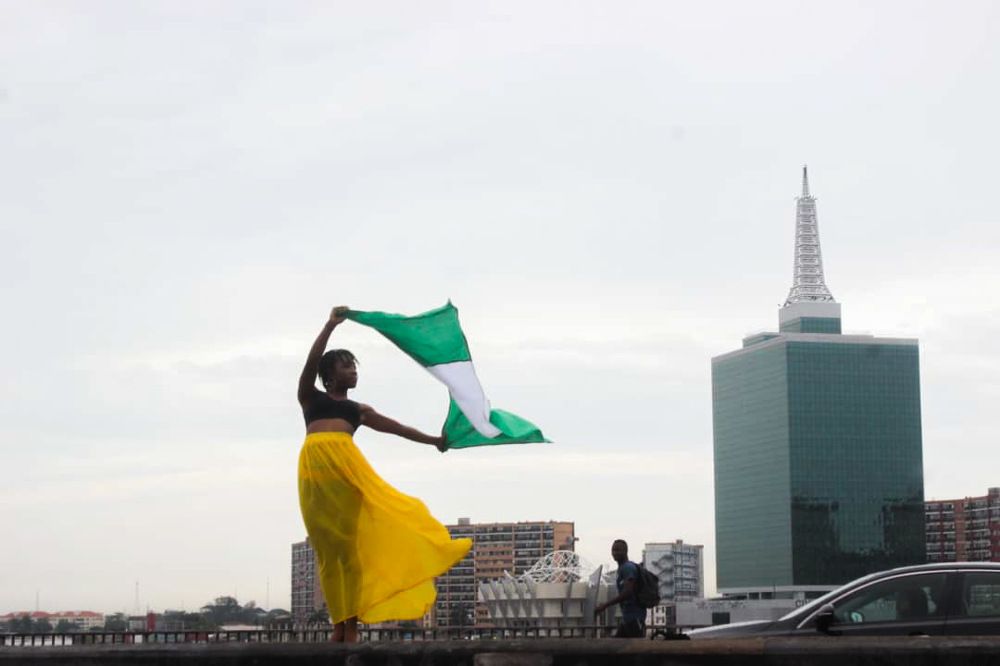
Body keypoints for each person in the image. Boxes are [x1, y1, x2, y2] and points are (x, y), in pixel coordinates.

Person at [297, 306, 472, 643]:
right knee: (328, 553)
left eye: (354, 367)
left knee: (348, 554)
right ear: (329, 375)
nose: (353, 371)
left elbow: (397, 428)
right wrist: (329, 326)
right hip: (315, 482)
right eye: (346, 366)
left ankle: (350, 627)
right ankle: (339, 624)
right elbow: (310, 362)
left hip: (348, 477)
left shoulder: (357, 410)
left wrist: (434, 441)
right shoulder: (310, 397)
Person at [594, 539, 647, 638]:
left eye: (618, 550)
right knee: (615, 646)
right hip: (627, 619)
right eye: (613, 550)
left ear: (625, 551)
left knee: (634, 650)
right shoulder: (622, 569)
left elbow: (627, 592)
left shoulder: (628, 568)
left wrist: (605, 605)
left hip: (634, 619)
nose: (614, 553)